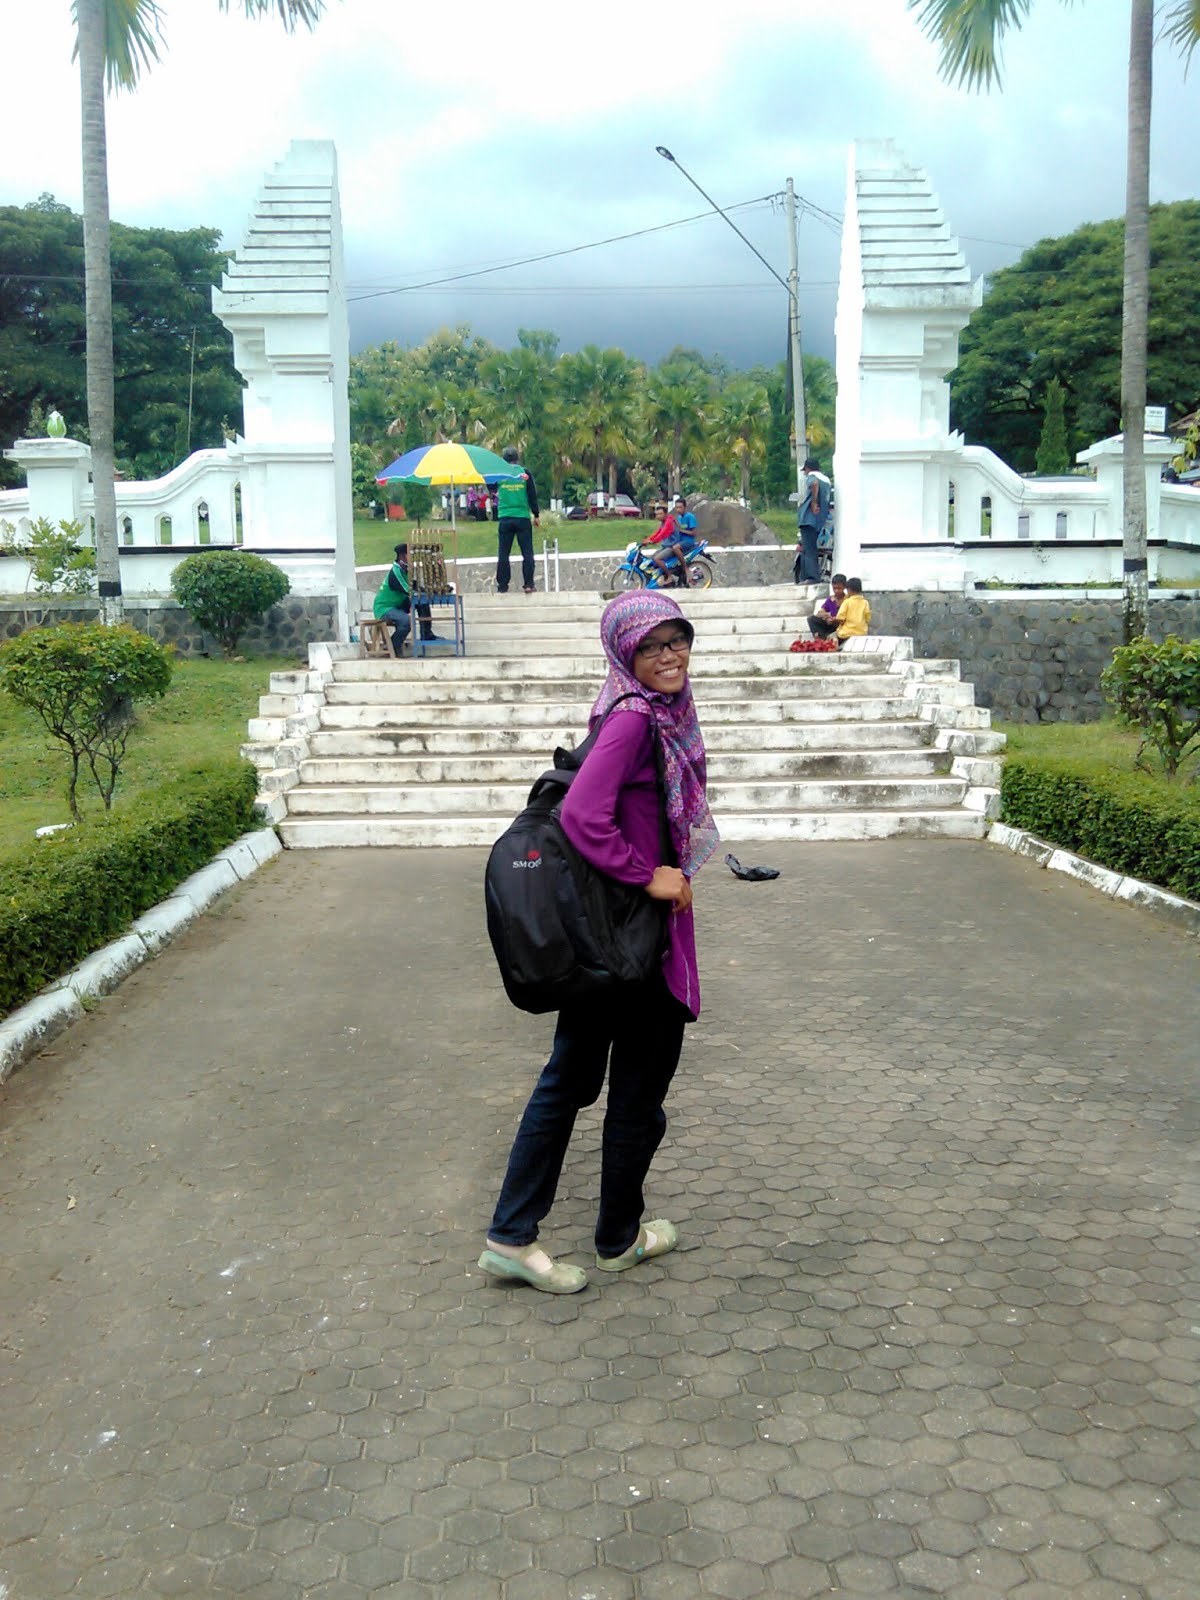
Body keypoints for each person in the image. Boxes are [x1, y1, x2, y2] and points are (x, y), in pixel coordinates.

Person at [478, 590, 719, 1294]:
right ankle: (615, 1238)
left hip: (608, 939)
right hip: (634, 942)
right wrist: (652, 878)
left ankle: (513, 1234)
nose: (670, 656)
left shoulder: (632, 713)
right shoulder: (636, 722)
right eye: (652, 646)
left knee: (572, 1081)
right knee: (632, 1093)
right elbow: (584, 814)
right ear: (625, 655)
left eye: (678, 640)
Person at [372, 543, 448, 653]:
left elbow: (414, 585)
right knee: (406, 621)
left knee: (422, 602)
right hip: (385, 608)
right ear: (403, 556)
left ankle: (426, 634)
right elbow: (408, 589)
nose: (412, 558)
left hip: (398, 604)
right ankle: (391, 646)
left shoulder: (406, 571)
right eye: (410, 555)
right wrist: (418, 591)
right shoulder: (395, 572)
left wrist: (433, 590)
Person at [495, 446, 540, 594]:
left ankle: (502, 585)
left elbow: (491, 487)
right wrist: (536, 514)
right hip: (522, 518)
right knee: (527, 553)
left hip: (505, 518)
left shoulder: (499, 474)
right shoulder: (524, 473)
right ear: (517, 458)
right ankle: (528, 584)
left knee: (503, 553)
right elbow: (532, 494)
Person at [644, 497, 699, 587]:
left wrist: (682, 531)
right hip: (680, 541)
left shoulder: (690, 517)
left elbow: (694, 532)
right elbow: (659, 532)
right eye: (676, 507)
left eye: (680, 507)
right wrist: (649, 540)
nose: (678, 510)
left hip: (687, 541)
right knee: (652, 558)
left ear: (685, 507)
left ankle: (683, 569)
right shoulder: (678, 518)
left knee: (674, 548)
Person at [794, 458, 832, 584]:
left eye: (805, 470)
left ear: (808, 468)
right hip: (818, 520)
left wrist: (813, 503)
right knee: (811, 548)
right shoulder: (826, 481)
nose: (805, 473)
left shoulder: (812, 477)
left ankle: (812, 577)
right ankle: (810, 576)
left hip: (808, 519)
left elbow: (813, 483)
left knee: (809, 549)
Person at [832, 576, 871, 646]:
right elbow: (867, 619)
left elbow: (840, 618)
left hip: (846, 634)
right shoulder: (865, 602)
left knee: (832, 637)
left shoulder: (847, 602)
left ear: (849, 590)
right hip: (862, 633)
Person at [807, 573, 847, 639]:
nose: (836, 591)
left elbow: (847, 618)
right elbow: (819, 613)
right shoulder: (831, 599)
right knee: (811, 619)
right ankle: (822, 639)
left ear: (844, 587)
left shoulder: (847, 600)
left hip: (841, 626)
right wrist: (825, 615)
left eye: (839, 588)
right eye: (834, 588)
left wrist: (835, 619)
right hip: (830, 625)